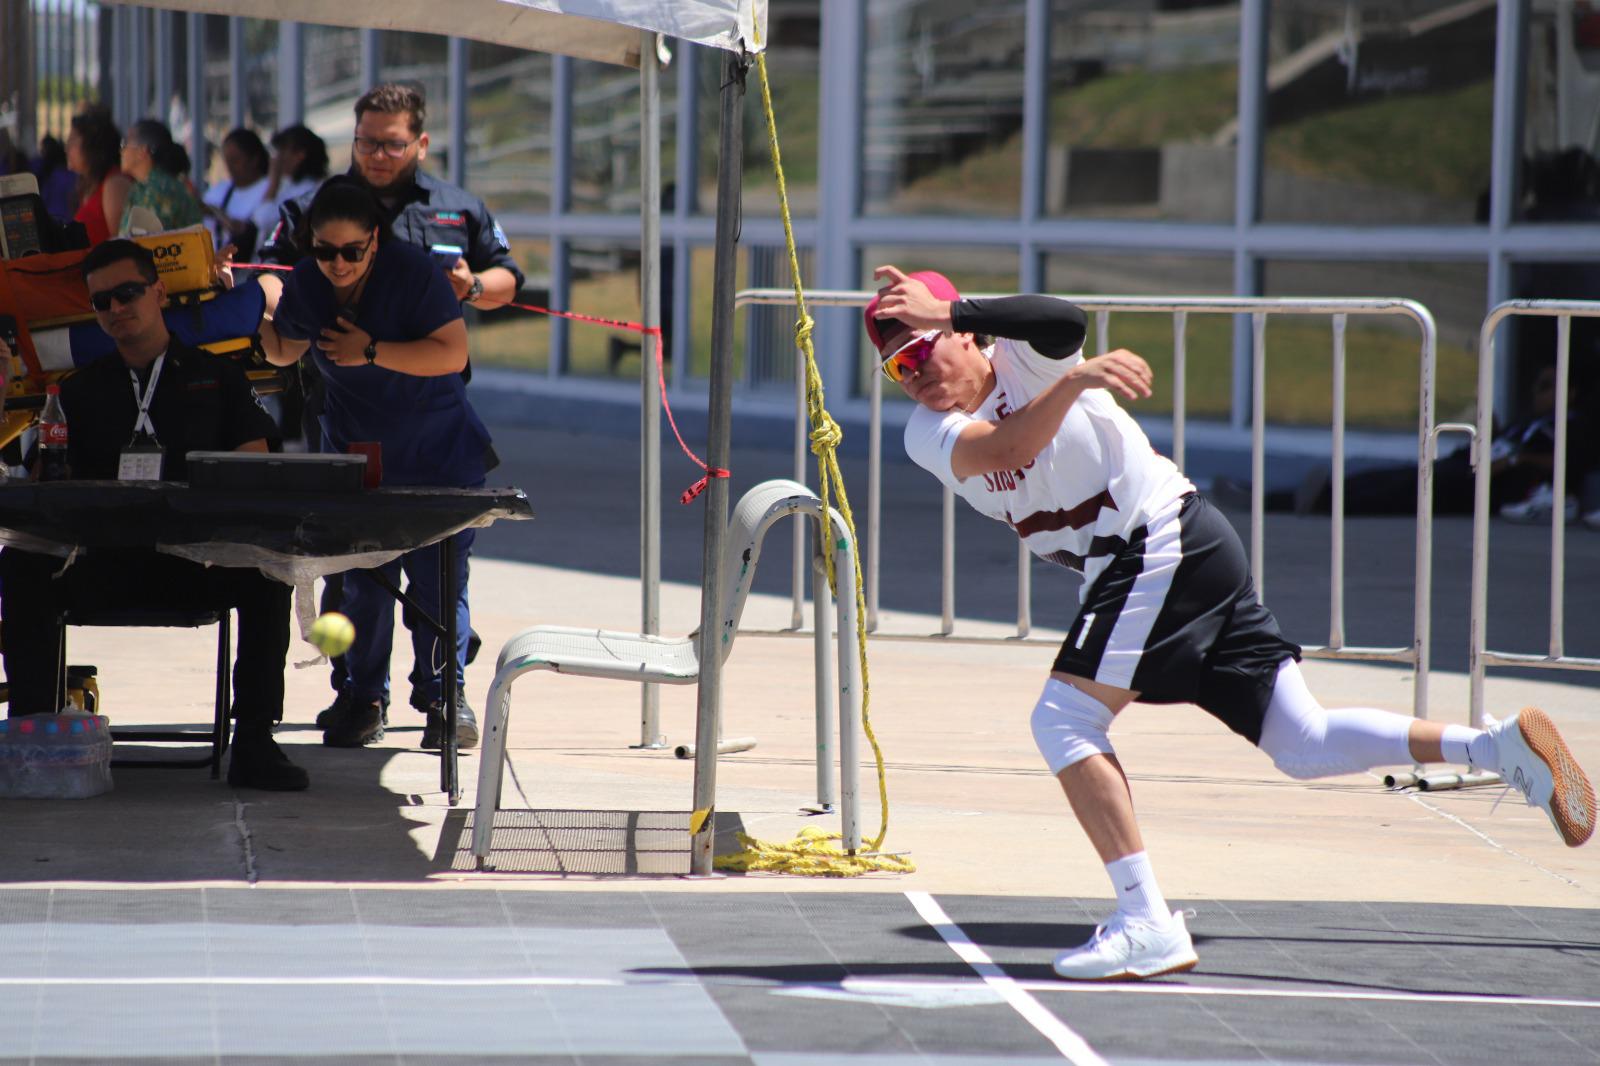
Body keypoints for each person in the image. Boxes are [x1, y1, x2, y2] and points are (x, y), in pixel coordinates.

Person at [867, 265, 1597, 981]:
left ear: (966, 335)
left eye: (924, 347)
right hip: (1158, 556)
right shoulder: (928, 433)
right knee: (1302, 743)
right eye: (898, 367)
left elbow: (1064, 319)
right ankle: (1496, 747)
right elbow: (1004, 450)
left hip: (1161, 537)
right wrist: (1077, 381)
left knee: (1064, 720)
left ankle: (1145, 921)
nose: (916, 373)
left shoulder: (1024, 356)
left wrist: (960, 313)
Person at [257, 83, 522, 731]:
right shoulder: (311, 246)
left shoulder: (425, 258)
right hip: (354, 443)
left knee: (438, 580)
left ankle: (443, 695)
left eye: (351, 252)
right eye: (325, 251)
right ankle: (361, 695)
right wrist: (256, 317)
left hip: (435, 443)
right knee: (359, 580)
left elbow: (457, 345)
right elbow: (282, 331)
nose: (338, 263)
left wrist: (372, 349)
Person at [0, 240, 307, 791]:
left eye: (128, 293)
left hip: (197, 563)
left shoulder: (217, 377)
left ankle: (255, 742)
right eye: (102, 302)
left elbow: (256, 466)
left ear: (159, 292)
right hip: (105, 564)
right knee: (21, 565)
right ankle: (35, 739)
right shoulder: (77, 391)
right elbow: (47, 486)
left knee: (269, 573)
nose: (116, 308)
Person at [1221, 363, 1599, 520]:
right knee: (1378, 478)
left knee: (1388, 495)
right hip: (1461, 465)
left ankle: (1291, 501)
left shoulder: (1572, 426)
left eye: (1546, 385)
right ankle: (1270, 496)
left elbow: (1566, 462)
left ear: (1571, 392)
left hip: (1482, 485)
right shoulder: (1529, 421)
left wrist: (1516, 462)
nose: (1537, 392)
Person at [116, 119, 204, 235]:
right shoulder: (143, 187)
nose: (121, 151)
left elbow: (147, 242)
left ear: (142, 151)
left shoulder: (160, 190)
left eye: (125, 144)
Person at [66, 105, 132, 247]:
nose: (67, 148)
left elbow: (122, 245)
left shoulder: (114, 184)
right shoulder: (89, 184)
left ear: (92, 145)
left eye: (73, 141)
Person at [251, 124, 329, 244]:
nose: (278, 158)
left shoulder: (308, 190)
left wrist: (273, 181)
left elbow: (264, 220)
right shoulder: (289, 185)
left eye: (282, 151)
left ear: (300, 155)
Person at [202, 128, 271, 260]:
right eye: (227, 161)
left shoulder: (270, 189)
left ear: (254, 159)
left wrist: (220, 215)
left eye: (235, 160)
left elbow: (261, 225)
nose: (230, 167)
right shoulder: (219, 190)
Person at [31, 135, 79, 224]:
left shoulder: (50, 175)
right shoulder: (72, 175)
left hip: (54, 219)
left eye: (43, 150)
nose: (42, 152)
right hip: (69, 219)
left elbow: (44, 198)